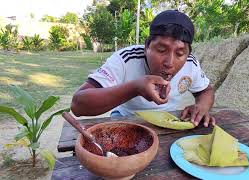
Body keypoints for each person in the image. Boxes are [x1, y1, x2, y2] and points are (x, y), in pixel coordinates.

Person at [71, 10, 215, 127]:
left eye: (180, 53)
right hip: (125, 117)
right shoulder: (126, 58)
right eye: (161, 49)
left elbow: (206, 91)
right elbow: (78, 105)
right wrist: (135, 88)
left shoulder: (191, 64)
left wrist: (202, 106)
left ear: (188, 53)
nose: (169, 63)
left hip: (168, 120)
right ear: (147, 46)